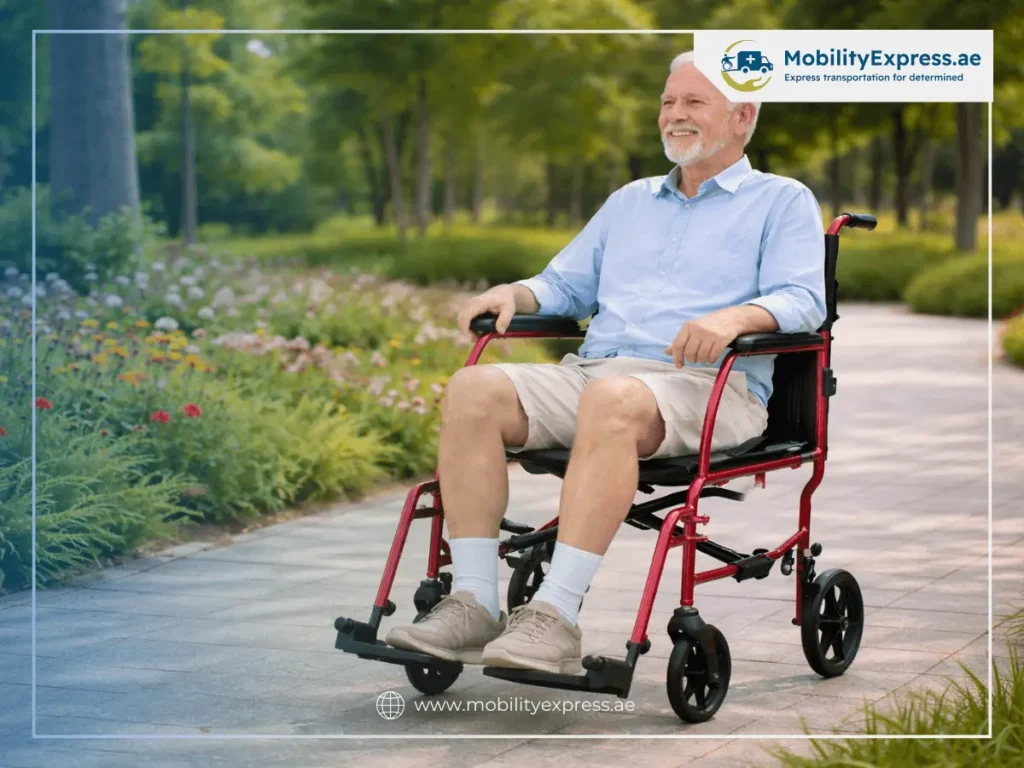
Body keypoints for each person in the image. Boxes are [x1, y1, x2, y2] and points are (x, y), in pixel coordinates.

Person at [386, 50, 826, 675]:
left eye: (694, 102)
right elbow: (564, 285)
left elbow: (804, 298)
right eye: (669, 102)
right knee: (472, 389)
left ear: (742, 116)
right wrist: (515, 294)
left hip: (711, 385)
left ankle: (554, 615)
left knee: (612, 398)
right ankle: (475, 601)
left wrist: (733, 317)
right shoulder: (630, 202)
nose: (674, 115)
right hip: (599, 377)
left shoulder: (781, 201)